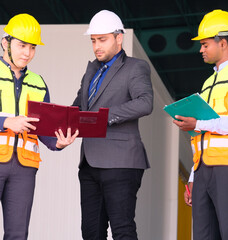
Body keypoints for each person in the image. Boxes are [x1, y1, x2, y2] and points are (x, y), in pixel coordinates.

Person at [0, 13, 78, 240]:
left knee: (18, 235)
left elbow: (43, 128)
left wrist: (58, 143)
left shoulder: (38, 83)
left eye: (32, 47)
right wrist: (7, 122)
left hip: (25, 168)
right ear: (5, 42)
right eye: (22, 45)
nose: (27, 53)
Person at [173, 9, 228, 240]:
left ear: (222, 43)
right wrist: (193, 176)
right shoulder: (208, 82)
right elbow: (201, 134)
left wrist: (199, 122)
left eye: (205, 44)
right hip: (203, 168)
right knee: (201, 234)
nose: (201, 49)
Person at [72, 10, 153, 240]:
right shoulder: (91, 72)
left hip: (122, 162)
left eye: (102, 39)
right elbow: (78, 108)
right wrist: (58, 123)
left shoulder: (135, 68)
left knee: (122, 230)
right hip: (89, 163)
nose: (97, 46)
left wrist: (103, 116)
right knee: (90, 233)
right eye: (93, 40)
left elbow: (145, 103)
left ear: (119, 38)